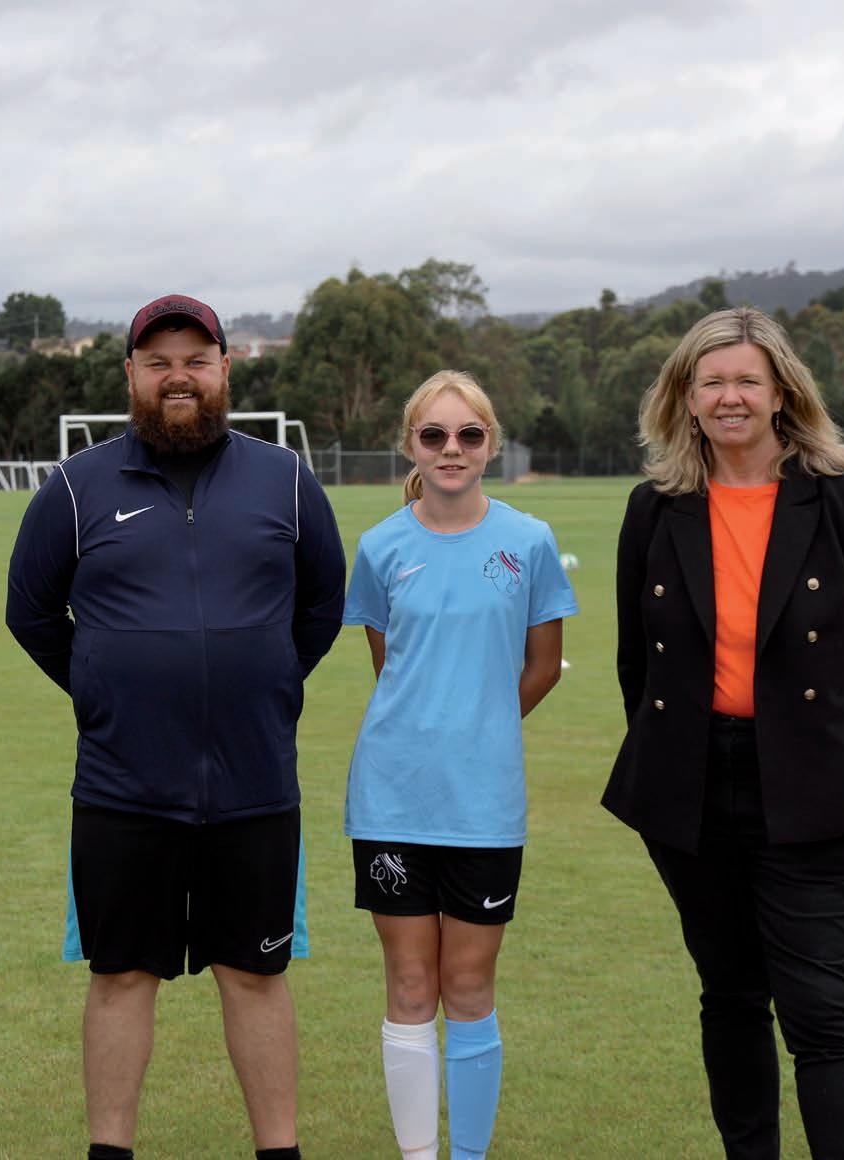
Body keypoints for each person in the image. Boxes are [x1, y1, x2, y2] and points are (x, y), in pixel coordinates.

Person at [5, 294, 346, 1160]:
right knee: (120, 975)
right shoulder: (76, 486)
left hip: (254, 785)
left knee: (256, 974)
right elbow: (30, 612)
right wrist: (105, 689)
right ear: (131, 375)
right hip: (123, 786)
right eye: (158, 362)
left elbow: (320, 607)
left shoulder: (285, 480)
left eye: (195, 360)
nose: (178, 376)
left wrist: (265, 680)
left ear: (225, 368)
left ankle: (279, 1152)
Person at [605, 307, 844, 1159]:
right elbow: (638, 664)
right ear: (685, 397)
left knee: (823, 1017)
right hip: (692, 792)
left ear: (782, 392)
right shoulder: (655, 507)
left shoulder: (841, 496)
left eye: (747, 379)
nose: (729, 397)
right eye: (710, 381)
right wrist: (669, 760)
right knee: (731, 998)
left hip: (815, 788)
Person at [342, 371, 576, 1160]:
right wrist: (432, 730)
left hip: (482, 803)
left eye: (468, 435)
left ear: (490, 445)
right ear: (410, 444)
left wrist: (478, 729)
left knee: (469, 986)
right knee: (409, 985)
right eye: (434, 435)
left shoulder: (528, 541)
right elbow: (391, 667)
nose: (451, 449)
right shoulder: (380, 547)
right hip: (390, 798)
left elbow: (541, 667)